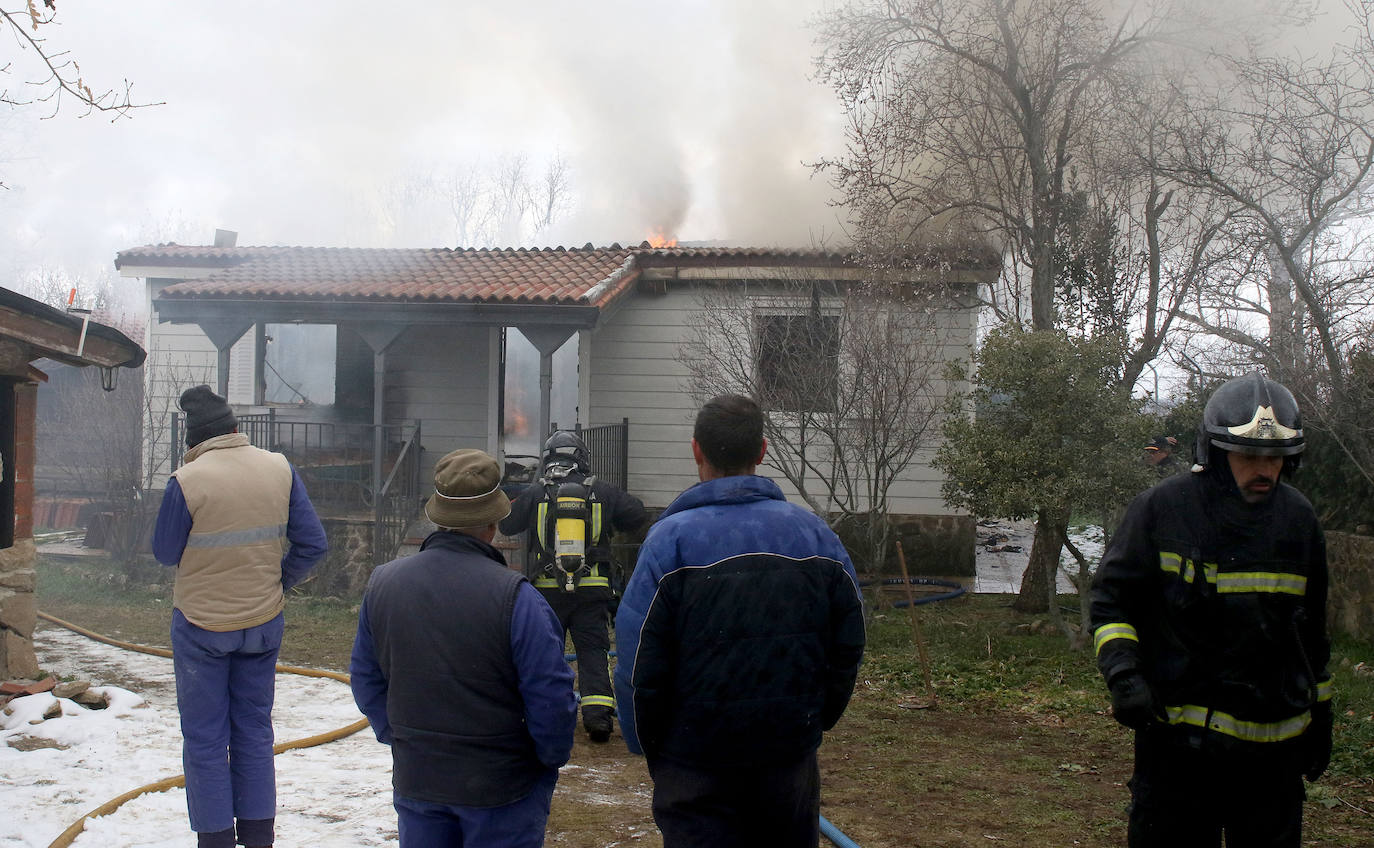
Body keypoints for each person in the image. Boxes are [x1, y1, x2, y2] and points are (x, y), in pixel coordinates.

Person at [1090, 373, 1333, 848]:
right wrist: (1125, 677)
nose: (1264, 469)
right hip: (1178, 756)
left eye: (1275, 458)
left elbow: (1313, 634)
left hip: (1272, 761)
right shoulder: (1163, 509)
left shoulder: (1299, 521)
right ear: (1216, 453)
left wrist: (1321, 718)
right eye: (1250, 455)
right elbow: (1112, 602)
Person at [614, 394, 866, 847]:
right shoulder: (817, 536)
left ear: (697, 451)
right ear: (763, 450)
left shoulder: (668, 543)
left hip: (693, 764)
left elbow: (637, 663)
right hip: (787, 758)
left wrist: (646, 743)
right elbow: (849, 642)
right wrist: (815, 719)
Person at [351, 448, 576, 848]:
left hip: (420, 779)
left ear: (436, 515)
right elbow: (551, 698)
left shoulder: (383, 584)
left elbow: (367, 681)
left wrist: (404, 738)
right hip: (501, 789)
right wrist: (544, 759)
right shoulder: (517, 599)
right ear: (494, 522)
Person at [152, 385, 328, 848]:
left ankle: (214, 840)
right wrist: (278, 581)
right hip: (262, 621)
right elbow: (313, 543)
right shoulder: (279, 468)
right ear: (235, 428)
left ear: (194, 440)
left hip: (200, 625)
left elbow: (165, 553)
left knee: (206, 738)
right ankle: (257, 837)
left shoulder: (187, 480)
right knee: (253, 731)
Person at [499, 430, 647, 743]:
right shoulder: (600, 490)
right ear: (582, 458)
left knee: (546, 655)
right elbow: (636, 514)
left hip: (546, 590)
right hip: (592, 590)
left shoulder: (537, 492)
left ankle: (548, 715)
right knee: (593, 652)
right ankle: (598, 720)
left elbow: (507, 523)